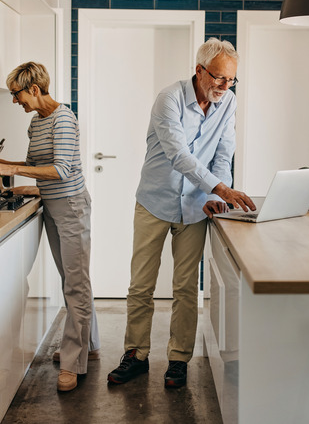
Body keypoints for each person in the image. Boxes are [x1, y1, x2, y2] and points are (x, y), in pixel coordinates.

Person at [107, 38, 255, 388]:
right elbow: (178, 155)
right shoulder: (169, 99)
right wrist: (220, 188)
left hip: (195, 206)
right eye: (218, 78)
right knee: (141, 284)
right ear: (199, 70)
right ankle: (135, 354)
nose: (224, 86)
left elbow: (223, 151)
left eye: (231, 80)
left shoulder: (228, 102)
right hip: (155, 201)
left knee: (186, 287)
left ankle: (178, 360)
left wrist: (218, 192)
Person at [0, 62, 99, 392]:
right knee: (72, 279)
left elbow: (60, 170)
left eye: (16, 94)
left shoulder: (63, 119)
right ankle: (90, 345)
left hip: (71, 207)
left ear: (34, 89)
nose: (15, 101)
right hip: (52, 206)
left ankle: (73, 362)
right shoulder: (36, 123)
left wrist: (9, 168)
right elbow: (32, 166)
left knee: (75, 283)